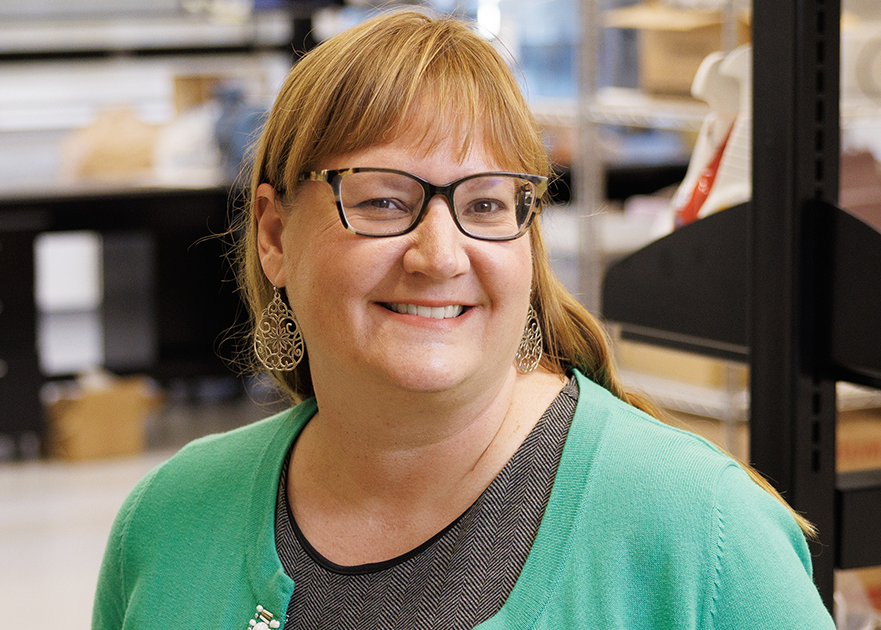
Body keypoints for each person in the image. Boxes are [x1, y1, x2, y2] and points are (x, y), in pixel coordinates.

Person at [92, 9, 836, 630]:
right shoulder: (168, 525)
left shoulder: (700, 536)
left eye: (484, 203)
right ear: (275, 236)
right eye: (383, 200)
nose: (440, 255)